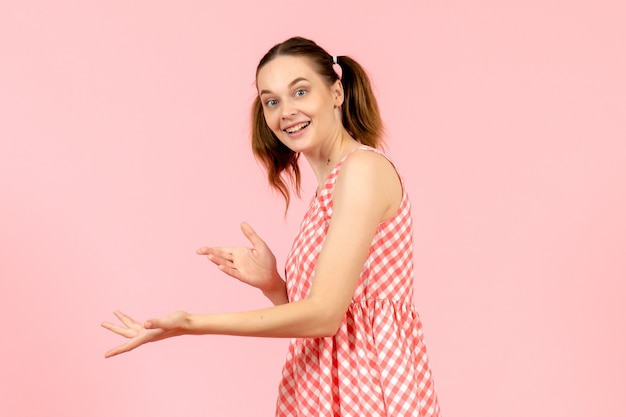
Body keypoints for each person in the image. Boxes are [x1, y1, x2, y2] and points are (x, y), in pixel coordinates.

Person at [102, 36, 441, 417]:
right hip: (328, 386)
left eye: (300, 91)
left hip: (366, 390)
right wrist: (274, 285)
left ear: (336, 92)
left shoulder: (363, 170)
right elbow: (322, 320)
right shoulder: (332, 186)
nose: (286, 111)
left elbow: (326, 316)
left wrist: (192, 322)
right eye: (272, 101)